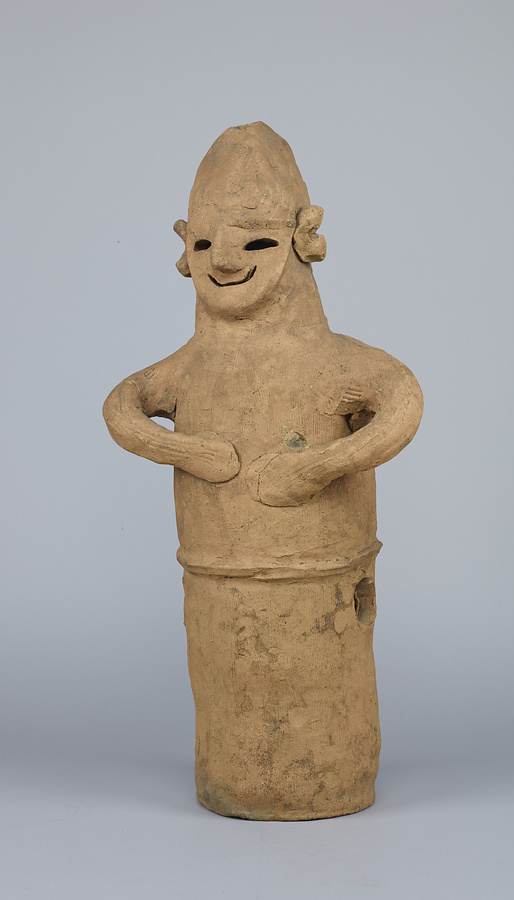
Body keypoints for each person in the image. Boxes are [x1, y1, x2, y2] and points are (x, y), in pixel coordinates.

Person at [103, 122, 423, 819]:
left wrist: (318, 468)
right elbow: (123, 407)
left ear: (304, 238)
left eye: (254, 242)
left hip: (324, 578)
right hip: (216, 579)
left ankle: (332, 779)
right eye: (204, 244)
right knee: (228, 683)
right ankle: (233, 781)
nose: (224, 260)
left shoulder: (334, 361)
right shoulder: (192, 365)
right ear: (185, 247)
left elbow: (402, 402)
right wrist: (191, 452)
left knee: (322, 681)